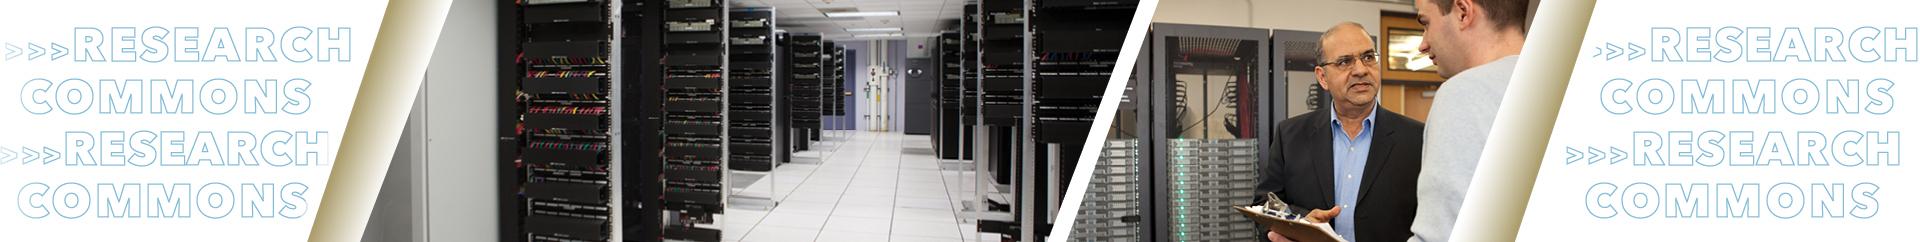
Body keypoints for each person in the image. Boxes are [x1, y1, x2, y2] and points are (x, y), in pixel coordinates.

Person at [1259, 22, 1426, 242]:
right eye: (1345, 61)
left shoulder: (1417, 138)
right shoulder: (1290, 135)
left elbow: (1434, 218)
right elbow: (1265, 202)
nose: (1360, 69)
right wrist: (1300, 221)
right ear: (1322, 77)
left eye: (1368, 57)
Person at [1406, 0, 1529, 241]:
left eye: (1426, 23)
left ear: (1463, 12)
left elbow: (1443, 235)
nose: (1423, 43)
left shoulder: (1464, 92)